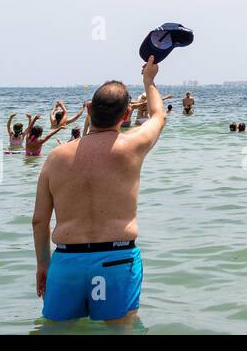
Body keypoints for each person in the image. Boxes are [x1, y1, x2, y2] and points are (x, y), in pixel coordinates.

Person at [33, 56, 166, 324]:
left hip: (67, 262)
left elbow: (39, 220)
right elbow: (158, 115)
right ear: (127, 114)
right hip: (116, 259)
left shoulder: (56, 157)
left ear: (89, 109)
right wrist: (149, 80)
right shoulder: (133, 146)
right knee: (119, 333)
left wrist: (44, 265)